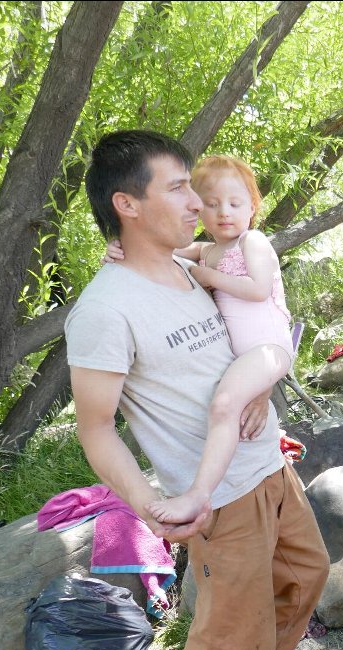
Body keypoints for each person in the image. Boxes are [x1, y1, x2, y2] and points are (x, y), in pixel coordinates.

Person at [66, 130, 329, 650]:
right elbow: (95, 428)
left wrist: (261, 385)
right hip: (218, 499)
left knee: (307, 576)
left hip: (270, 468)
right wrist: (150, 507)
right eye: (178, 188)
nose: (196, 203)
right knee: (227, 638)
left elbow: (244, 337)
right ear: (127, 205)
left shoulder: (195, 271)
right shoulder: (106, 308)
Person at [107, 154, 294, 525]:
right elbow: (161, 250)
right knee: (227, 405)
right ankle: (205, 488)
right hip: (247, 357)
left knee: (223, 405)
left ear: (252, 207)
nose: (224, 212)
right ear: (198, 208)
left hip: (268, 347)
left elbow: (258, 289)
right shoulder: (208, 250)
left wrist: (211, 279)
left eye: (235, 204)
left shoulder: (251, 241)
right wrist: (119, 249)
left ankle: (199, 492)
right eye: (212, 204)